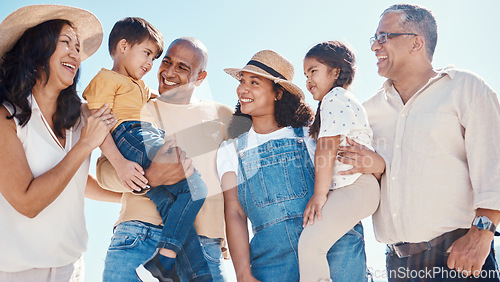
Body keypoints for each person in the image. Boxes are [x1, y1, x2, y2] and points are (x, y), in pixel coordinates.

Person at [339, 3, 500, 281]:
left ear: (416, 43)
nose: (375, 47)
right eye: (374, 39)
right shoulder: (366, 111)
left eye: (383, 37)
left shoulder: (465, 88)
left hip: (458, 258)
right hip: (397, 265)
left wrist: (481, 235)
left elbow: (493, 163)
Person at [218, 50, 369, 281]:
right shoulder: (231, 150)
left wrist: (377, 163)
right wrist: (243, 274)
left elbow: (353, 172)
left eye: (254, 82)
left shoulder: (312, 135)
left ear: (278, 93)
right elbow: (235, 213)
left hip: (334, 251)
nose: (243, 89)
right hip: (271, 263)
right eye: (242, 81)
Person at [83, 19, 212, 282]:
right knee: (195, 187)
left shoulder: (138, 86)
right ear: (122, 46)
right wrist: (119, 162)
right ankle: (166, 260)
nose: (151, 64)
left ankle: (165, 262)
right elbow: (96, 123)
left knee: (169, 198)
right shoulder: (106, 79)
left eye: (154, 57)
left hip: (144, 135)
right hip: (131, 135)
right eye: (148, 54)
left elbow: (156, 95)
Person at [0, 4, 121, 281]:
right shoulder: (6, 117)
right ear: (36, 51)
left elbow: (75, 179)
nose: (75, 53)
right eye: (65, 42)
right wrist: (84, 145)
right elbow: (27, 202)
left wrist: (129, 198)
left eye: (78, 47)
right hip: (15, 272)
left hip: (72, 268)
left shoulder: (82, 115)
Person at [298, 41, 380, 282]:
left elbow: (327, 146)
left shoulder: (335, 98)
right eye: (305, 74)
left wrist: (319, 195)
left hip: (355, 187)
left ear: (335, 72)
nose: (308, 79)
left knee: (310, 245)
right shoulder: (336, 101)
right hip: (354, 188)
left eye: (313, 71)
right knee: (314, 244)